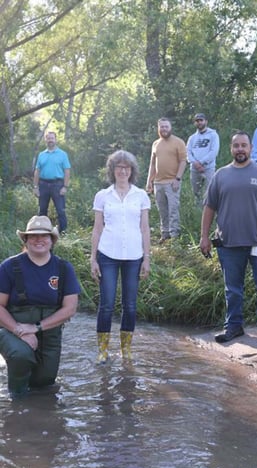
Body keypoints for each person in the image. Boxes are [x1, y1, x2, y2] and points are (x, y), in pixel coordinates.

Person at [200, 131, 257, 344]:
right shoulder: (220, 175)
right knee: (233, 288)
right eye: (236, 145)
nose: (240, 149)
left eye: (244, 145)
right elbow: (209, 207)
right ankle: (233, 326)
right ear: (231, 148)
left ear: (251, 148)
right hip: (229, 243)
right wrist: (204, 236)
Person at [0, 215, 80, 398]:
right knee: (21, 355)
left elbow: (70, 308)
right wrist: (21, 331)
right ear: (26, 240)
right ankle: (16, 402)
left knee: (44, 384)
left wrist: (36, 328)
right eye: (33, 236)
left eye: (44, 236)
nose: (39, 240)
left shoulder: (63, 268)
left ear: (52, 240)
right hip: (11, 330)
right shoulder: (8, 267)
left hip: (48, 333)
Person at [91, 150, 151, 362]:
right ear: (112, 170)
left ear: (132, 171)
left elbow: (145, 228)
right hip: (107, 254)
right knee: (106, 304)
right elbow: (97, 229)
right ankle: (103, 351)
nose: (123, 171)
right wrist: (93, 259)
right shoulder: (102, 196)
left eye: (127, 167)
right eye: (119, 167)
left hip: (134, 256)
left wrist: (147, 258)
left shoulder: (141, 195)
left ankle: (126, 350)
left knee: (130, 305)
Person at [146, 118, 187, 243]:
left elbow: (183, 161)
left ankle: (174, 236)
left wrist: (177, 178)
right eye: (161, 127)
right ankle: (165, 234)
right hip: (158, 183)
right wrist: (149, 182)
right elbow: (152, 164)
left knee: (173, 209)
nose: (164, 129)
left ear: (170, 127)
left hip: (172, 182)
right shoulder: (155, 144)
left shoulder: (178, 142)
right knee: (162, 210)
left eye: (166, 126)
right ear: (158, 129)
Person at [33, 131, 71, 233]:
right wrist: (35, 187)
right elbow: (37, 171)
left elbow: (67, 171)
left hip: (57, 185)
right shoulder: (41, 155)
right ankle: (41, 232)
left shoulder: (63, 154)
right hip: (43, 185)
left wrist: (65, 186)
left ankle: (62, 233)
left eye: (52, 138)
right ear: (45, 140)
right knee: (42, 210)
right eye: (48, 138)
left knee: (60, 210)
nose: (50, 140)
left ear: (55, 139)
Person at [186, 113, 220, 208]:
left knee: (209, 192)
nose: (199, 122)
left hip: (208, 168)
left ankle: (209, 211)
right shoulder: (192, 138)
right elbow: (188, 152)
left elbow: (214, 151)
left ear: (206, 121)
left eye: (201, 120)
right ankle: (198, 213)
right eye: (197, 121)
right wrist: (195, 163)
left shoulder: (213, 135)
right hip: (194, 169)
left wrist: (201, 162)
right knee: (196, 193)